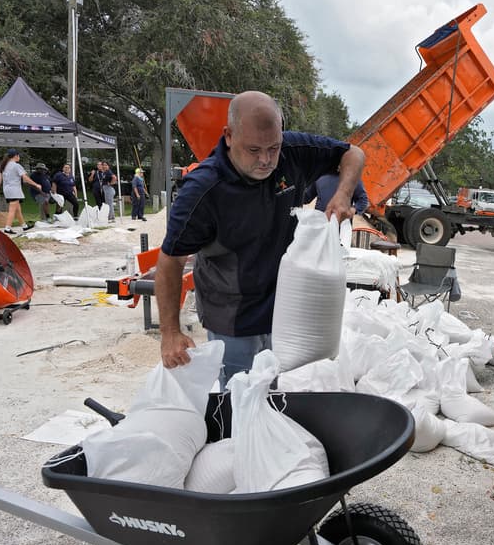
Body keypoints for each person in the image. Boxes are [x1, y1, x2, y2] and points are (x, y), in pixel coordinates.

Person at [156, 90, 365, 387]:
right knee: (239, 392)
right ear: (229, 136)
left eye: (273, 148)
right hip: (233, 316)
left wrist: (343, 194)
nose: (266, 160)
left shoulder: (293, 151)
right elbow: (171, 260)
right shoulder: (202, 191)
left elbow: (354, 153)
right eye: (254, 150)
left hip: (281, 309)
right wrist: (170, 333)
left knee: (271, 388)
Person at [0, 149, 41, 234]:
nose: (19, 157)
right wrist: (36, 184)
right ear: (15, 156)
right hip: (14, 190)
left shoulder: (3, 166)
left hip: (7, 190)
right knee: (12, 210)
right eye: (19, 155)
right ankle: (7, 228)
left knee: (17, 209)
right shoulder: (16, 166)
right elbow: (25, 178)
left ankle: (24, 226)